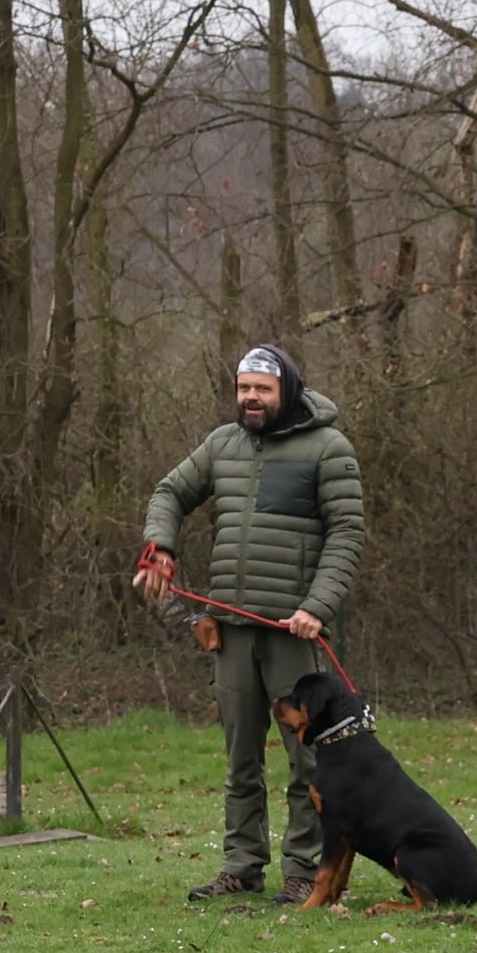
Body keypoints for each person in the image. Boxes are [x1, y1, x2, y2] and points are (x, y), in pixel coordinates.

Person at [135, 344, 365, 902]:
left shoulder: (328, 448)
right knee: (241, 760)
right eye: (243, 388)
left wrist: (317, 606)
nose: (251, 398)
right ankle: (242, 867)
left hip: (293, 631)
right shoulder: (223, 444)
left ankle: (305, 871)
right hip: (231, 632)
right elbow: (169, 492)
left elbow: (347, 533)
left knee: (307, 761)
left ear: (287, 389)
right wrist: (160, 548)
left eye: (262, 388)